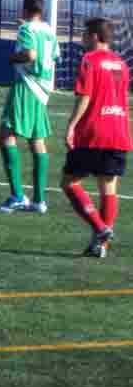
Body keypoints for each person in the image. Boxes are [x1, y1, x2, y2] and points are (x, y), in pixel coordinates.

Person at [60, 17, 131, 258]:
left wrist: (71, 126)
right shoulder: (122, 64)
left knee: (69, 183)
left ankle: (100, 228)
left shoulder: (89, 61)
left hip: (93, 132)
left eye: (84, 34)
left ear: (93, 36)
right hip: (119, 130)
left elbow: (85, 96)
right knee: (108, 188)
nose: (81, 38)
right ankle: (101, 245)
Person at [0, 0, 58, 213]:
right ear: (42, 10)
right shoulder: (49, 31)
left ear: (24, 8)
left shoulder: (26, 29)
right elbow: (53, 57)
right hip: (42, 90)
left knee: (5, 138)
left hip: (25, 86)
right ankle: (39, 200)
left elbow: (30, 55)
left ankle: (17, 196)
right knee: (36, 140)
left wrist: (13, 58)